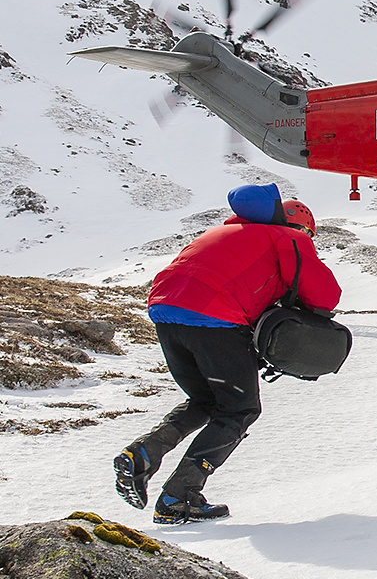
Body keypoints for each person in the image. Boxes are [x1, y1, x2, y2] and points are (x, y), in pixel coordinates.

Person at [113, 183, 340, 524]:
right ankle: (179, 496)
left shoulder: (226, 232)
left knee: (206, 400)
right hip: (215, 318)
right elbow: (325, 296)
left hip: (166, 312)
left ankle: (145, 452)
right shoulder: (287, 237)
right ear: (302, 227)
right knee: (240, 408)